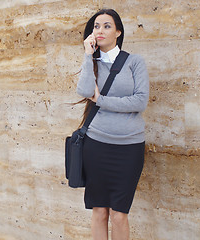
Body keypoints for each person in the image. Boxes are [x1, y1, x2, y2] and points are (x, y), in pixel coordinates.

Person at [76, 9, 149, 240]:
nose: (100, 30)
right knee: (99, 211)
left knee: (119, 214)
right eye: (96, 26)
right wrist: (88, 55)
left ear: (118, 32)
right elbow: (86, 91)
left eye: (107, 26)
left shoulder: (134, 62)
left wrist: (102, 100)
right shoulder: (92, 62)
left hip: (129, 147)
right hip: (96, 145)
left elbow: (140, 101)